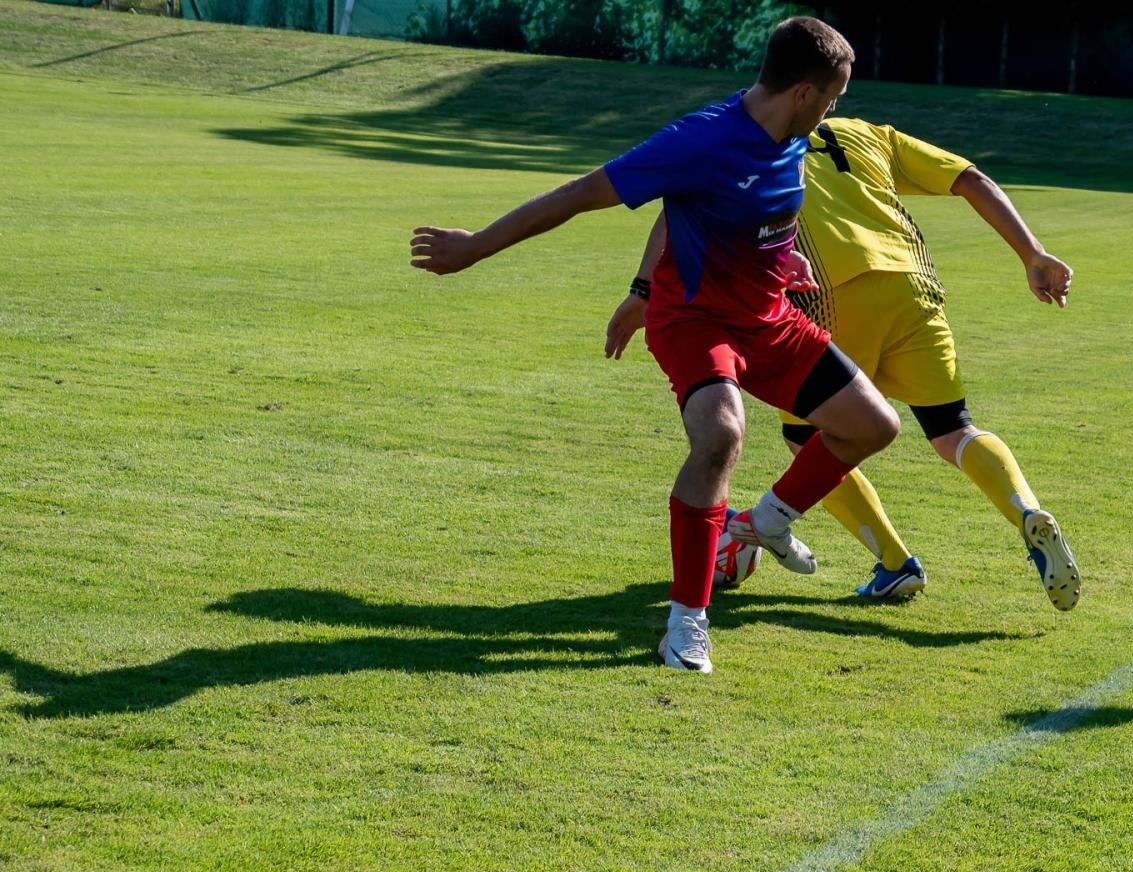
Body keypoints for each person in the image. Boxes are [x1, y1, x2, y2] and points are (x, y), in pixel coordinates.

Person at [411, 17, 899, 673]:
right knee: (722, 436)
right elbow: (582, 192)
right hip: (694, 321)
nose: (834, 111)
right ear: (806, 93)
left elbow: (717, 210)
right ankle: (686, 622)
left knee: (872, 424)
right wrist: (474, 248)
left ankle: (764, 522)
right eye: (833, 99)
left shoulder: (788, 138)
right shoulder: (704, 137)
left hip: (770, 317)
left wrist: (783, 261)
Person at [607, 116, 1081, 611]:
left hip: (826, 292)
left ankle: (895, 562)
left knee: (810, 436)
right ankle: (1026, 510)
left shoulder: (751, 139)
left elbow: (676, 212)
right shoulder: (872, 133)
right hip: (911, 286)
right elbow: (971, 179)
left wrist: (642, 290)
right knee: (953, 429)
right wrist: (1034, 253)